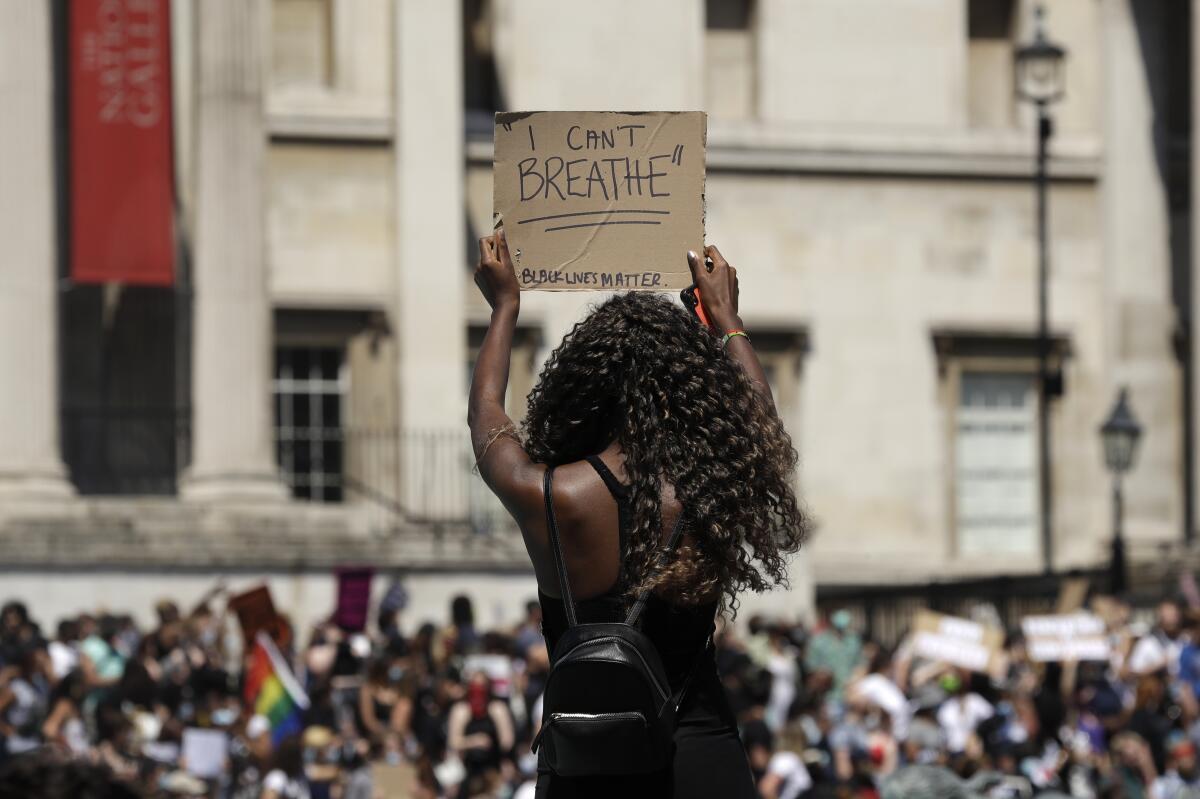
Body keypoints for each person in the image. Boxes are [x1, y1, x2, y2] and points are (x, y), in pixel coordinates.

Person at [468, 232, 809, 798]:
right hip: (697, 755)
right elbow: (758, 427)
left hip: (584, 760)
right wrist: (726, 318)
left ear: (583, 388)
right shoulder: (708, 491)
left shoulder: (549, 494)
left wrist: (505, 306)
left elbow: (486, 417)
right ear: (689, 389)